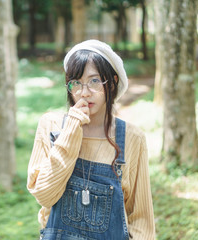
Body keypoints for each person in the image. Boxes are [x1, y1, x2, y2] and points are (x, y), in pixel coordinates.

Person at [27, 39, 155, 240]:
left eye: (95, 81)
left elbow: (141, 221)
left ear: (112, 82)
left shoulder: (132, 138)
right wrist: (70, 130)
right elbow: (44, 195)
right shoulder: (50, 126)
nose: (84, 92)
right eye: (76, 82)